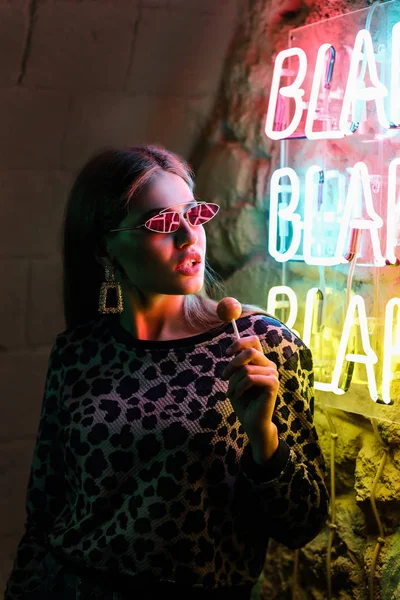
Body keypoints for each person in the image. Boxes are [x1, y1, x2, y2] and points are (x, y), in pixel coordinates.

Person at [5, 145, 328, 600]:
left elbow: (304, 523)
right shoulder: (77, 353)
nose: (188, 236)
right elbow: (43, 516)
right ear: (104, 248)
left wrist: (264, 439)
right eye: (159, 223)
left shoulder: (259, 345)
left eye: (194, 214)